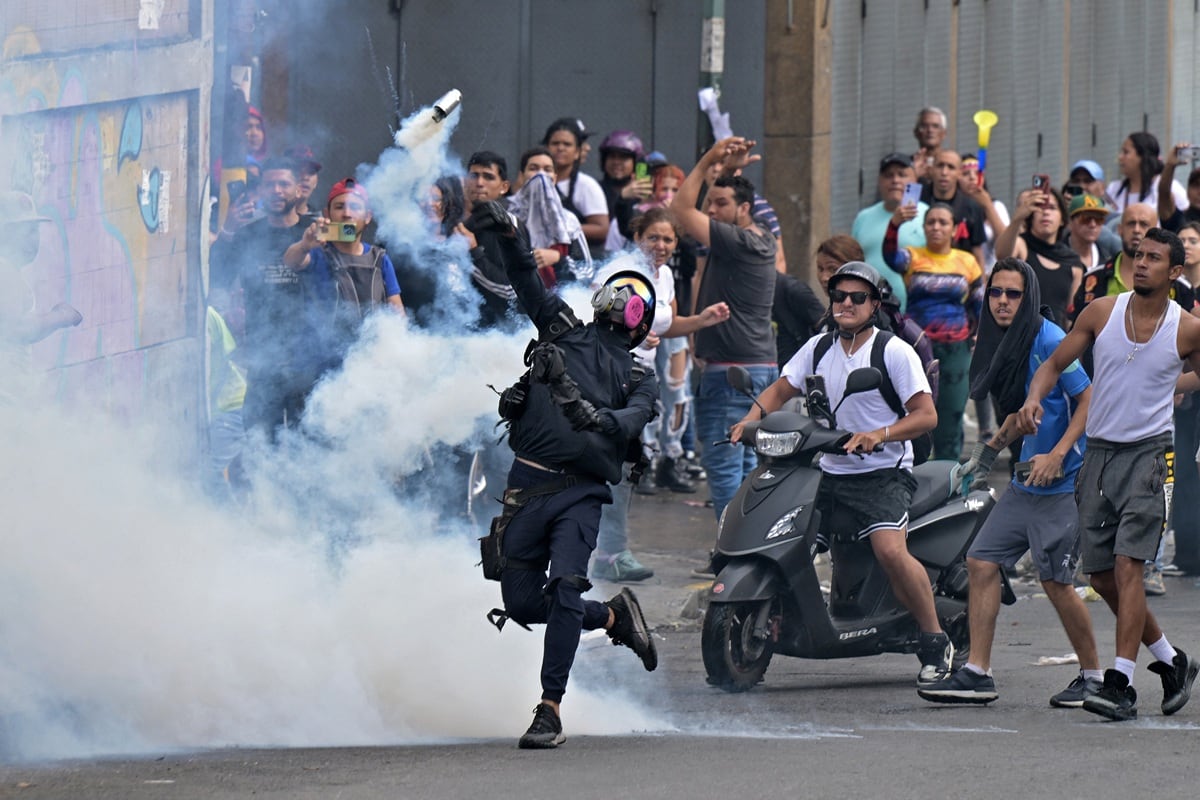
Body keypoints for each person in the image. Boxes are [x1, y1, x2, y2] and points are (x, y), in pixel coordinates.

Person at [476, 201, 658, 748]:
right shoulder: (561, 330)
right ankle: (613, 619)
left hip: (580, 495)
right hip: (525, 486)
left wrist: (593, 417)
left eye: (633, 298)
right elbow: (526, 279)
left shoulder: (639, 375)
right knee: (524, 603)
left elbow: (633, 419)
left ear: (640, 320)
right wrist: (509, 235)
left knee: (564, 589)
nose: (623, 301)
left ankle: (549, 709)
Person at [731, 261, 953, 688]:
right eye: (839, 297)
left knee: (889, 550)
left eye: (857, 298)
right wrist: (749, 420)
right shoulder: (817, 348)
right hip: (826, 471)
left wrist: (879, 434)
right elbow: (781, 389)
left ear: (875, 304)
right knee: (786, 540)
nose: (846, 304)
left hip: (883, 473)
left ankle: (933, 638)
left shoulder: (893, 351)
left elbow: (926, 416)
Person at [1019, 227, 1200, 721]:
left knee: (1129, 565)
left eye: (1154, 258)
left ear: (1175, 272)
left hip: (1150, 455)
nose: (1141, 263)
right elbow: (1053, 365)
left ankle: (1120, 681)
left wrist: (1169, 386)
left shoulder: (1185, 328)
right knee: (1101, 576)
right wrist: (1034, 398)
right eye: (1137, 255)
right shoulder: (1101, 312)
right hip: (1098, 455)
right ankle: (1171, 661)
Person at [917, 258, 1101, 706]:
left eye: (1013, 294)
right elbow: (1024, 414)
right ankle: (978, 672)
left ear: (1029, 297)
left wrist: (1057, 455)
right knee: (982, 562)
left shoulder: (1050, 337)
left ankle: (1095, 677)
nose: (1002, 302)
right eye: (995, 293)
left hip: (1063, 481)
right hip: (1025, 481)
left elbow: (1089, 400)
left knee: (1056, 581)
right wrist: (986, 454)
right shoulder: (1000, 341)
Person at [592, 208, 731, 582]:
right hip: (611, 380)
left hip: (640, 382)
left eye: (668, 239)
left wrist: (702, 320)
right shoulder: (620, 272)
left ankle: (607, 549)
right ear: (638, 237)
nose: (661, 245)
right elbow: (595, 319)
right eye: (653, 237)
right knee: (616, 468)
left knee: (626, 467)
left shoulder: (665, 277)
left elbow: (666, 325)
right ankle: (608, 552)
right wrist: (629, 336)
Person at [672, 137, 778, 522]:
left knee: (724, 469)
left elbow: (681, 210)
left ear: (745, 209)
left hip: (731, 373)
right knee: (747, 470)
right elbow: (704, 209)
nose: (712, 211)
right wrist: (726, 174)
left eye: (722, 205)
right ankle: (747, 556)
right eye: (712, 203)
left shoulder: (737, 241)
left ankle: (729, 558)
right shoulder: (760, 236)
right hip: (757, 370)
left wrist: (706, 163)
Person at [210, 157, 314, 440]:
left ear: (298, 190)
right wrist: (229, 228)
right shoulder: (247, 235)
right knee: (258, 442)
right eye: (270, 184)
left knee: (306, 446)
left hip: (308, 361)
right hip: (261, 360)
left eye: (284, 184)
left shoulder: (314, 232)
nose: (277, 190)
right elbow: (216, 275)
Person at [884, 202, 984, 460]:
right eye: (931, 222)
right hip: (916, 348)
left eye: (943, 222)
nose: (936, 227)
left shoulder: (968, 261)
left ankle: (947, 481)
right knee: (914, 416)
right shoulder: (911, 256)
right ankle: (913, 476)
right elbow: (889, 255)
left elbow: (979, 304)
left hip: (956, 351)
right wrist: (894, 224)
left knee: (950, 418)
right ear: (924, 227)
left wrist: (980, 336)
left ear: (955, 229)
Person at [282, 177, 403, 372]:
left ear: (368, 216)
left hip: (370, 365)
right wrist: (304, 245)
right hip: (320, 369)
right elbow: (291, 261)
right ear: (327, 214)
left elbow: (397, 314)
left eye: (355, 207)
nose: (347, 214)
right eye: (339, 207)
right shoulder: (317, 253)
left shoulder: (379, 258)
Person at [0, 191, 83, 403]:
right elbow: (18, 329)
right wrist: (60, 317)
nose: (34, 239)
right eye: (27, 231)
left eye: (35, 230)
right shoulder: (5, 272)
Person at [994, 188, 1083, 328]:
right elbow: (1002, 255)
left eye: (1052, 208)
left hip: (1053, 342)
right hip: (1019, 337)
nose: (1045, 212)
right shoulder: (1021, 245)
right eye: (1039, 207)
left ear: (1062, 219)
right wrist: (1018, 218)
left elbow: (1071, 316)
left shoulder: (1073, 262)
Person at [851, 153, 927, 311]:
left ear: (915, 180)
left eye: (902, 174)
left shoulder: (929, 216)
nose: (895, 180)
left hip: (916, 312)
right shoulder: (863, 218)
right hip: (870, 311)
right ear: (879, 181)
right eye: (888, 175)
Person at [458, 151, 519, 329]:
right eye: (474, 175)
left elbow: (511, 289)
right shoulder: (458, 223)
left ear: (504, 187)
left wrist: (473, 253)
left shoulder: (509, 226)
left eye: (488, 177)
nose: (479, 183)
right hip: (459, 329)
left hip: (499, 333)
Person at [542, 118, 609, 255]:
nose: (560, 148)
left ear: (577, 152)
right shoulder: (535, 182)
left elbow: (602, 229)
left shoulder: (587, 185)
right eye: (555, 143)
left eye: (567, 144)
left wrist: (560, 228)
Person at [919, 150, 987, 268]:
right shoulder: (918, 200)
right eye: (940, 166)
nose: (944, 172)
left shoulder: (971, 206)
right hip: (922, 267)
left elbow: (977, 250)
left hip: (960, 273)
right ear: (931, 170)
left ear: (959, 173)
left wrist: (982, 284)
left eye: (951, 167)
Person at [1106, 132, 1187, 215]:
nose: (1120, 157)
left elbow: (1186, 217)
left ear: (1143, 156)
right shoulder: (1113, 189)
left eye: (1126, 152)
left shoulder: (1171, 187)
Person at [597, 129, 652, 249]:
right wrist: (621, 197)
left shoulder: (645, 194)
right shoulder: (594, 189)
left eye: (623, 158)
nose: (616, 162)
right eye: (612, 157)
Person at [1064, 193, 1121, 273]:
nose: (1093, 225)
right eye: (1086, 219)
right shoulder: (1057, 257)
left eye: (1099, 219)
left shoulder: (1108, 258)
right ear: (1070, 222)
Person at [1156, 142, 1200, 232]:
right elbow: (1164, 193)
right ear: (1187, 191)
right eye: (1196, 185)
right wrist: (1170, 165)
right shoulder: (1178, 221)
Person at [282, 144, 322, 225]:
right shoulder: (259, 220)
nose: (305, 177)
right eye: (298, 171)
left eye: (311, 172)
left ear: (316, 182)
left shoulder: (321, 222)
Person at [911, 107, 948, 184]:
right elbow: (908, 196)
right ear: (916, 132)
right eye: (924, 126)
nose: (930, 130)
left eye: (935, 126)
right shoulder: (907, 165)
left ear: (944, 133)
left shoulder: (952, 164)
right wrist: (914, 176)